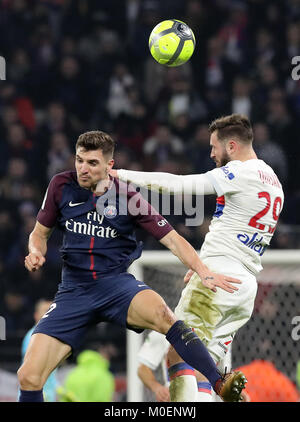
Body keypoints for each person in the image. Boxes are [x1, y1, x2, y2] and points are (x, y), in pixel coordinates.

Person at [17, 130, 245, 403]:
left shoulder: (128, 197)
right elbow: (39, 234)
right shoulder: (60, 185)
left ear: (109, 165)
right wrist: (35, 252)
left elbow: (172, 239)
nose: (83, 168)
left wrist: (203, 271)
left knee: (165, 315)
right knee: (28, 376)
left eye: (92, 163)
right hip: (73, 291)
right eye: (79, 160)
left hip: (115, 285)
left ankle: (220, 382)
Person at [111, 113, 285, 401]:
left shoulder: (240, 172)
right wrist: (201, 264)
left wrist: (122, 175)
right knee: (206, 368)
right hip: (244, 287)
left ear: (231, 146)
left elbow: (179, 185)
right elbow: (235, 227)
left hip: (218, 281)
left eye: (214, 147)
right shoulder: (274, 181)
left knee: (178, 352)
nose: (211, 153)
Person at [21, 299, 58, 402]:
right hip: (35, 395)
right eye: (46, 311)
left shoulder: (48, 336)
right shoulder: (33, 337)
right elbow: (31, 370)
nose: (50, 314)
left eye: (51, 310)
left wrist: (57, 387)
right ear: (36, 315)